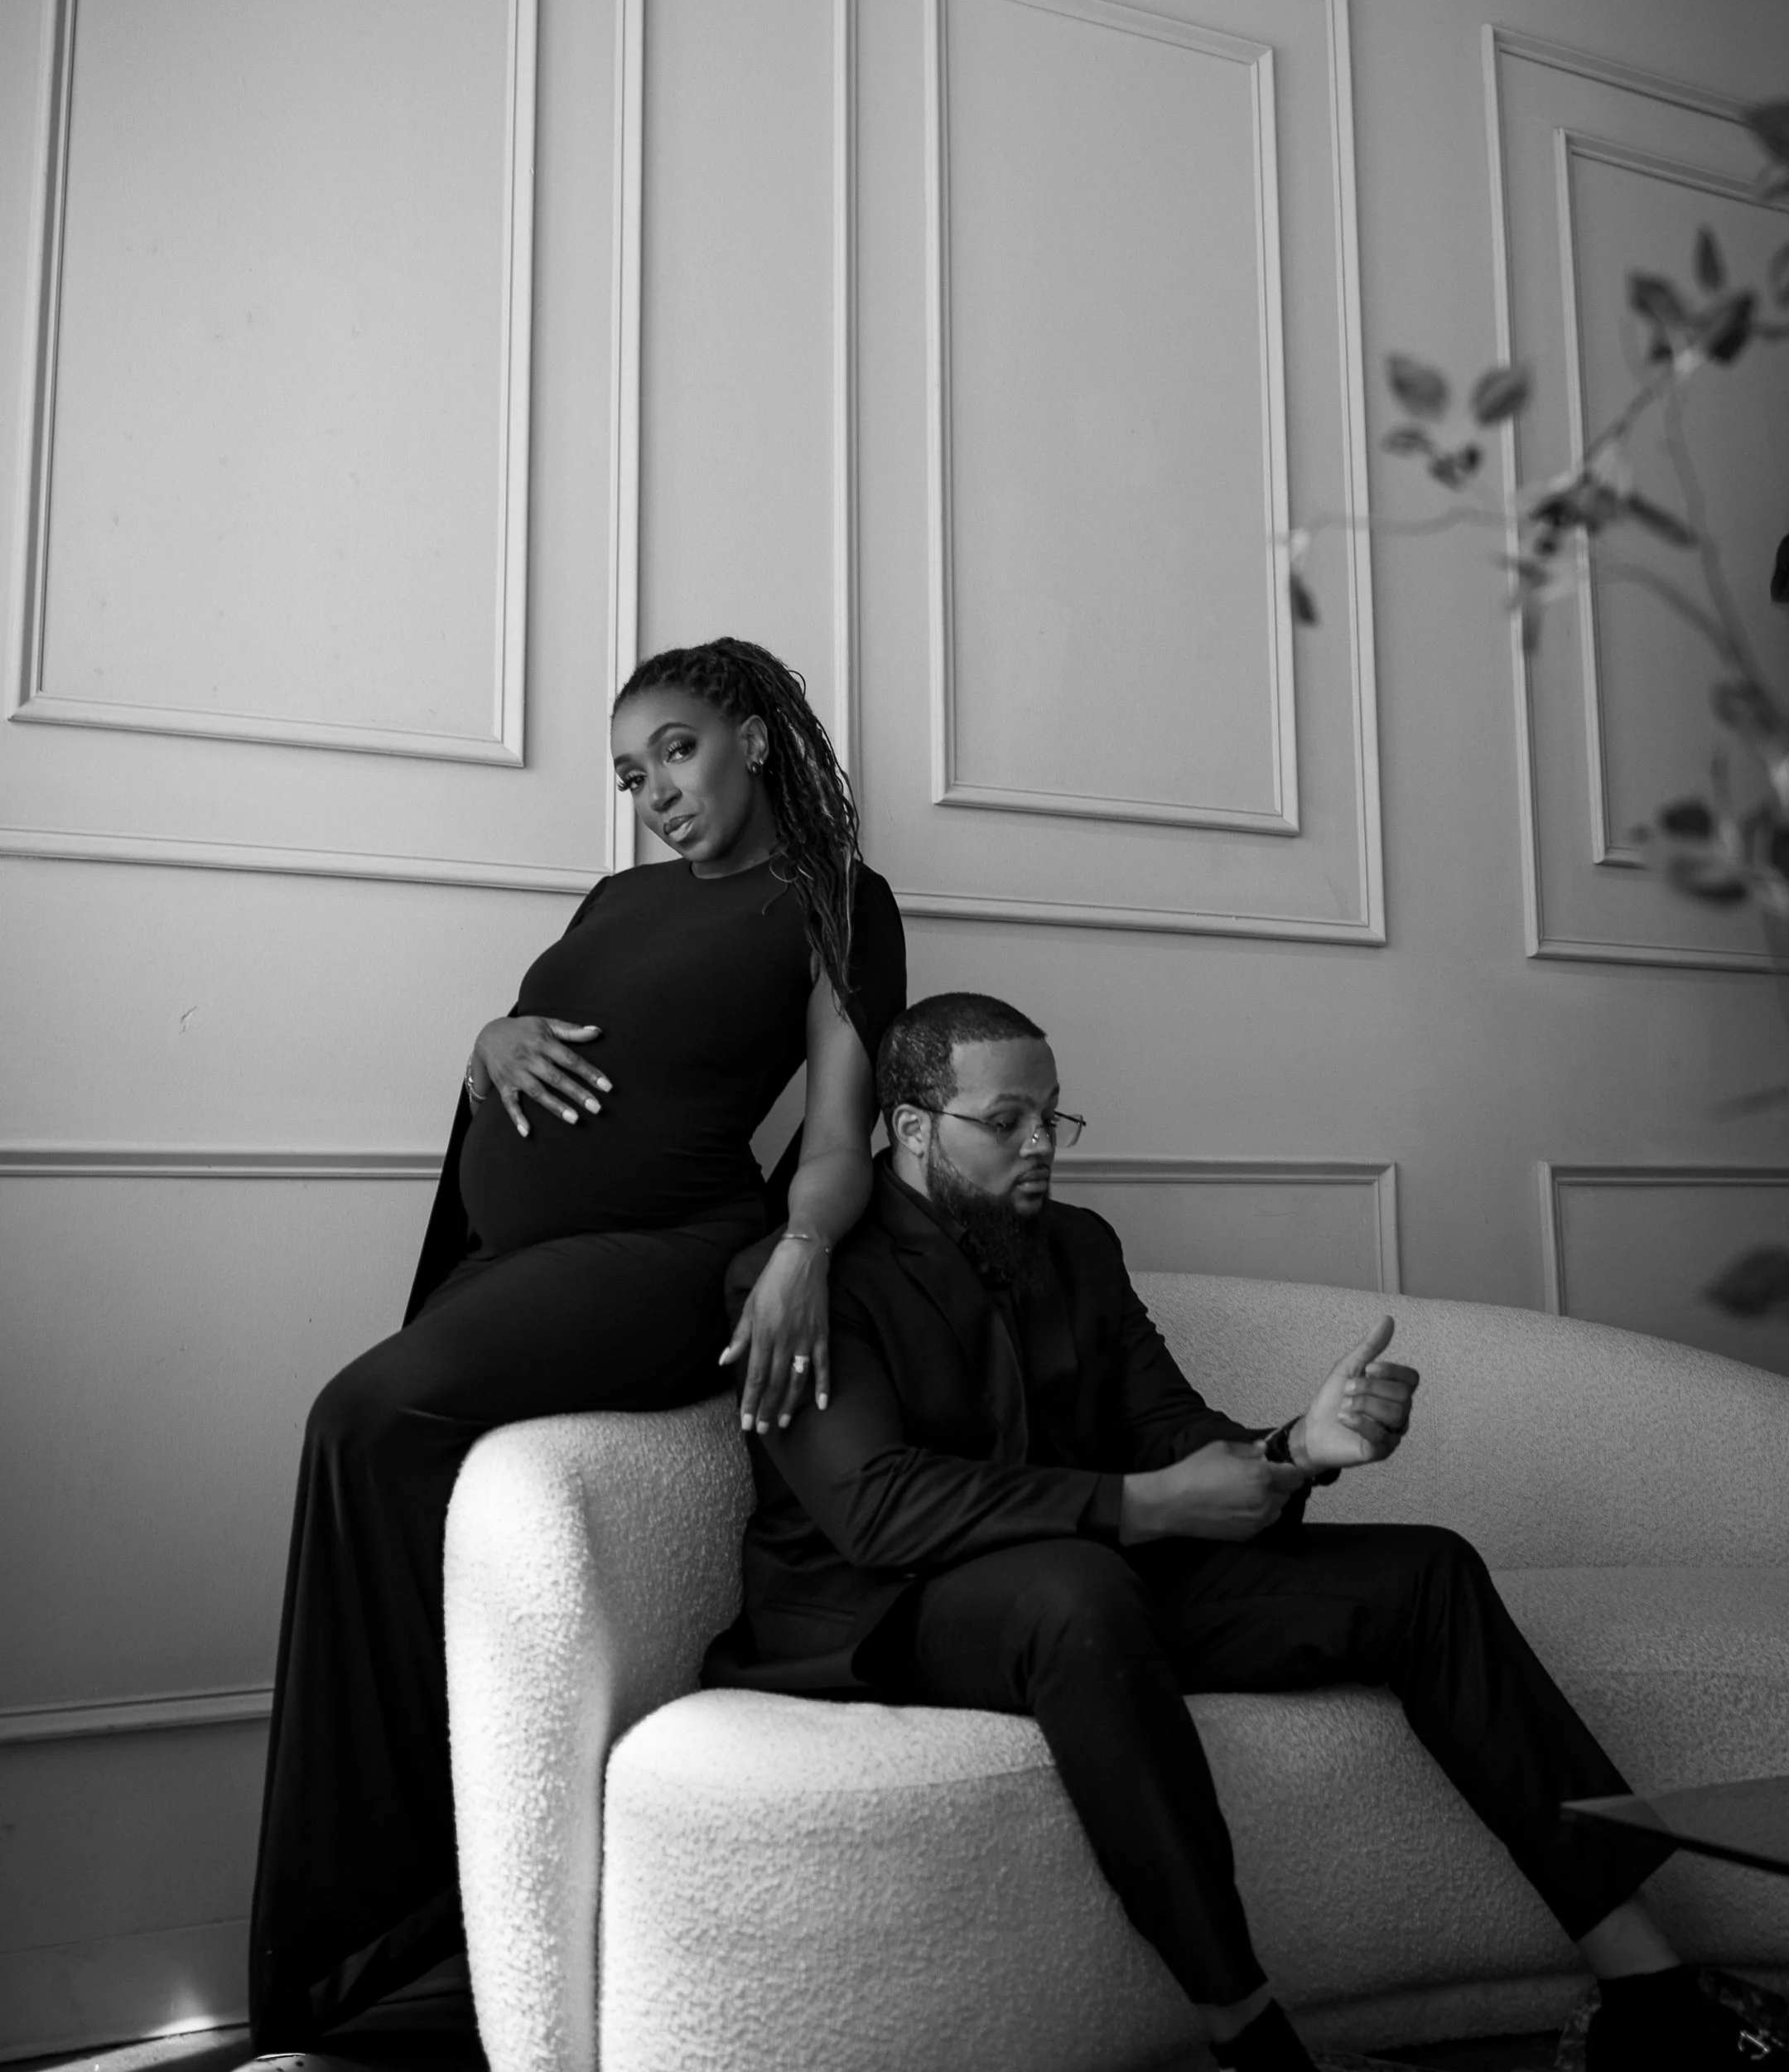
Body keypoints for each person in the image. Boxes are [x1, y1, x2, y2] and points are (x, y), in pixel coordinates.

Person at [706, 991, 1779, 2072]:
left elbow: (1169, 1427)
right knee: (1076, 1589)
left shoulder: (1076, 1248)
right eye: (1007, 1122)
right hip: (885, 1608)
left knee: (1424, 1573)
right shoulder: (799, 1280)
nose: (1042, 1148)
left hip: (1096, 1580)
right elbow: (877, 1506)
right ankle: (1246, 2032)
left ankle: (1648, 1988)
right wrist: (1144, 1506)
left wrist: (1296, 1450)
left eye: (1056, 1120)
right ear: (910, 1129)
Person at [249, 638, 905, 2049]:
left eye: (675, 750)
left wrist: (799, 1252)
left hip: (665, 1258)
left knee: (362, 1420)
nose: (655, 791)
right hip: (514, 1256)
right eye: (630, 773)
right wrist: (490, 1035)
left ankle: (391, 1943)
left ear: (754, 737)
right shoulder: (616, 892)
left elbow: (842, 1134)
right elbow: (541, 1035)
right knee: (363, 1444)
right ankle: (397, 1936)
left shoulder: (835, 900)